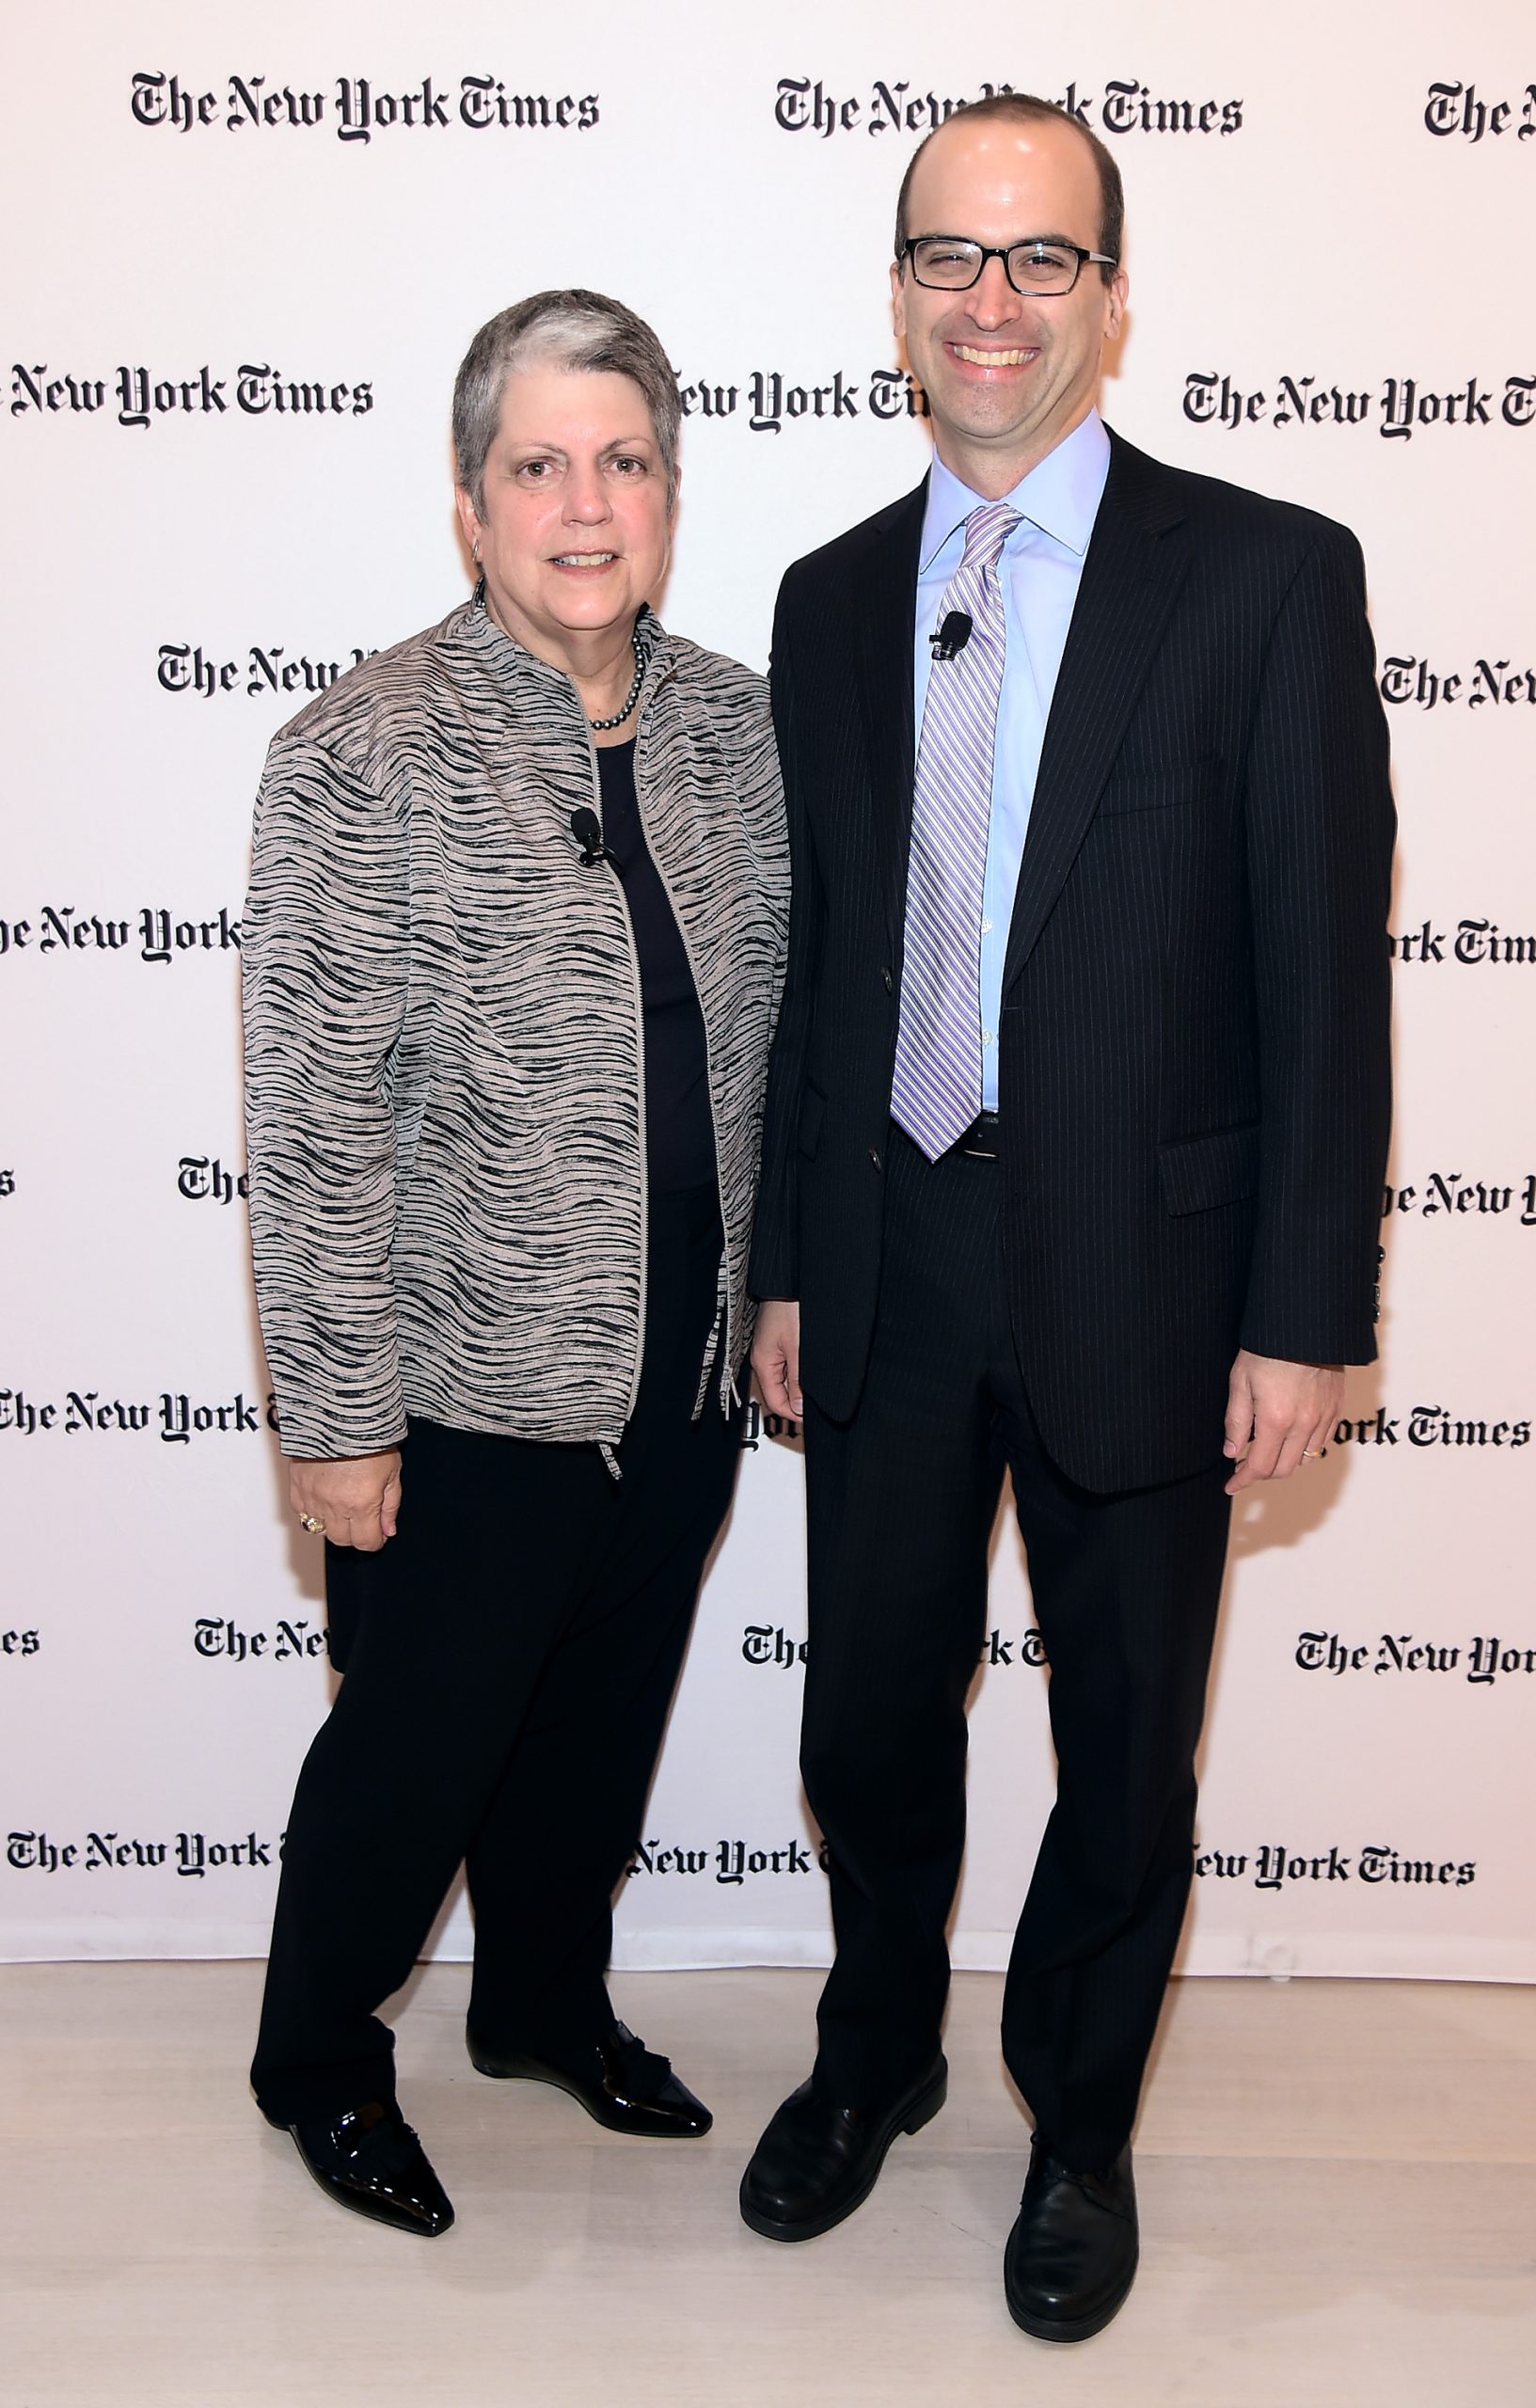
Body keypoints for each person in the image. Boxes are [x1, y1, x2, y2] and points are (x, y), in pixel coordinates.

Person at [740, 97, 1393, 2341]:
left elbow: (1322, 963)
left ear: (1110, 295)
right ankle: (875, 2046)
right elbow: (825, 971)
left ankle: (1077, 2119)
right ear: (898, 294)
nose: (989, 302)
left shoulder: (1264, 571)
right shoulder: (828, 597)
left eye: (1037, 260)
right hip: (891, 1252)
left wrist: (1306, 1305)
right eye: (947, 257)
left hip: (1158, 1266)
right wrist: (791, 1263)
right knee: (864, 1719)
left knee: (1122, 1739)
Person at [242, 289, 787, 2237]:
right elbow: (307, 1115)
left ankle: (541, 2005)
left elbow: (776, 1045)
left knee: (594, 1735)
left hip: (683, 1373)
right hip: (458, 1394)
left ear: (667, 489)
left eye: (620, 460)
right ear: (470, 506)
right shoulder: (357, 749)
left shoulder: (737, 724)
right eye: (536, 465)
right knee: (409, 1759)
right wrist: (331, 1417)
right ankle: (316, 2055)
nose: (584, 503)